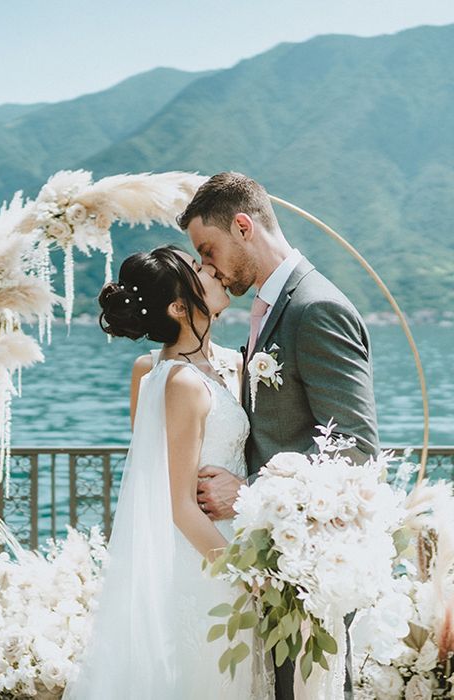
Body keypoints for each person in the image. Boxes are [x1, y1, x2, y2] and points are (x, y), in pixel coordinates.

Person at [178, 172, 380, 700]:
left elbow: (356, 452)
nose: (207, 266)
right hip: (272, 563)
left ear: (243, 226)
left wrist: (248, 497)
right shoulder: (268, 308)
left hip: (310, 570)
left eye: (208, 249)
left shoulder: (316, 308)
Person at [63, 245, 272, 699]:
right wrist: (248, 576)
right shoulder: (177, 381)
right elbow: (178, 505)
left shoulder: (230, 365)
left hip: (233, 536)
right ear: (179, 307)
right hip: (209, 558)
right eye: (199, 271)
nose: (213, 272)